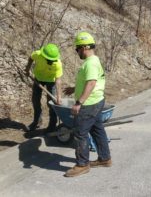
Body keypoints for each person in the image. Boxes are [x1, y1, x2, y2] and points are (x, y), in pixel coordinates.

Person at [64, 32, 111, 177]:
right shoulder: (94, 61)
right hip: (97, 101)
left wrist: (78, 103)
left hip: (89, 104)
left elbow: (91, 83)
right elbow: (89, 81)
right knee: (97, 130)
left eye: (77, 49)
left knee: (80, 133)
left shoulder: (90, 63)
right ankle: (105, 158)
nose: (76, 51)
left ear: (84, 47)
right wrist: (74, 88)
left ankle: (82, 165)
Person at [25, 43, 62, 132]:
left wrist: (59, 97)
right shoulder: (37, 54)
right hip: (38, 79)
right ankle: (36, 122)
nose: (51, 62)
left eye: (53, 60)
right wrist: (27, 68)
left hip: (51, 81)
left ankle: (52, 126)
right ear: (44, 56)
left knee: (52, 103)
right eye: (49, 60)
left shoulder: (57, 64)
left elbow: (58, 80)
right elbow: (30, 58)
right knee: (35, 100)